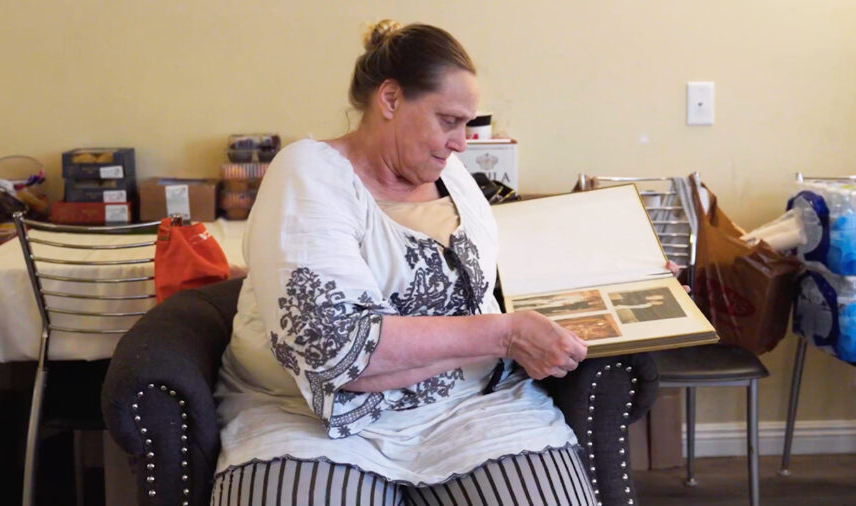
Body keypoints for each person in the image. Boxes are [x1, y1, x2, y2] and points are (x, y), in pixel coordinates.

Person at [211, 20, 597, 505]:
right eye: (449, 120)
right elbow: (337, 350)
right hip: (306, 418)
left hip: (472, 407)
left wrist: (622, 274)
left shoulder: (453, 175)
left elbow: (494, 270)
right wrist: (505, 333)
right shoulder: (308, 173)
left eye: (467, 125)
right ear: (390, 99)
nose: (461, 142)